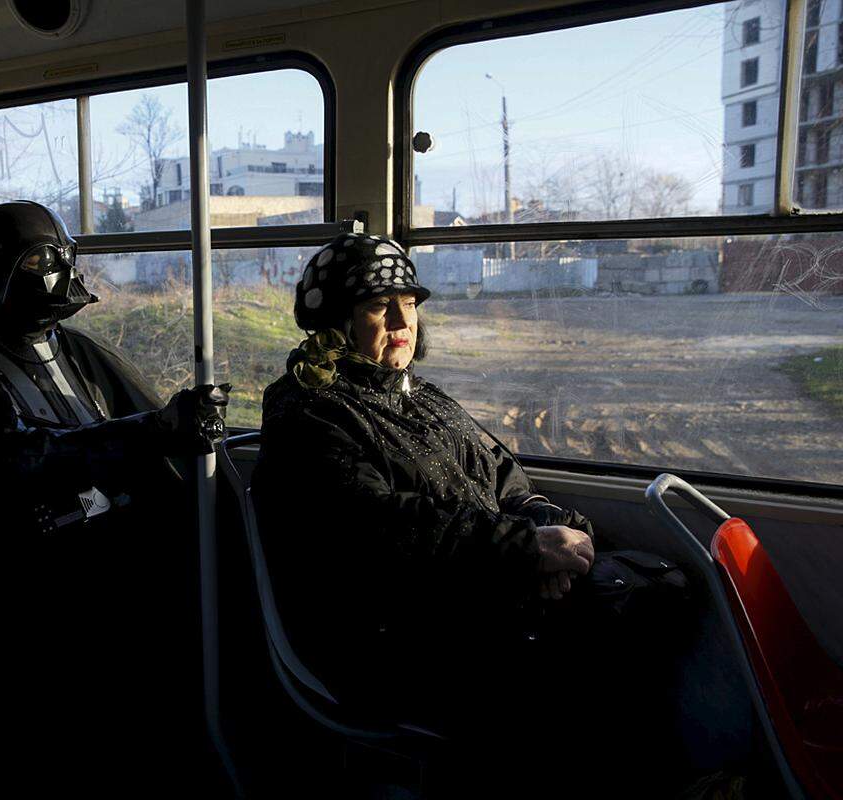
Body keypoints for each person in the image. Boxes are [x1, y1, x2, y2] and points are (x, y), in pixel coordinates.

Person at [251, 232, 675, 793]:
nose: (403, 319)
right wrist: (528, 550)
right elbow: (378, 527)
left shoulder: (421, 397)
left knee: (657, 589)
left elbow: (504, 477)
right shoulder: (309, 414)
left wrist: (550, 530)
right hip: (390, 631)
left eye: (411, 304)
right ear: (336, 322)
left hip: (472, 590)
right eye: (380, 306)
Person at [0, 201, 228, 786]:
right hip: (17, 581)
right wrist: (152, 432)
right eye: (36, 262)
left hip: (105, 552)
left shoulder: (81, 354)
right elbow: (9, 465)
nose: (53, 274)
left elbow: (142, 424)